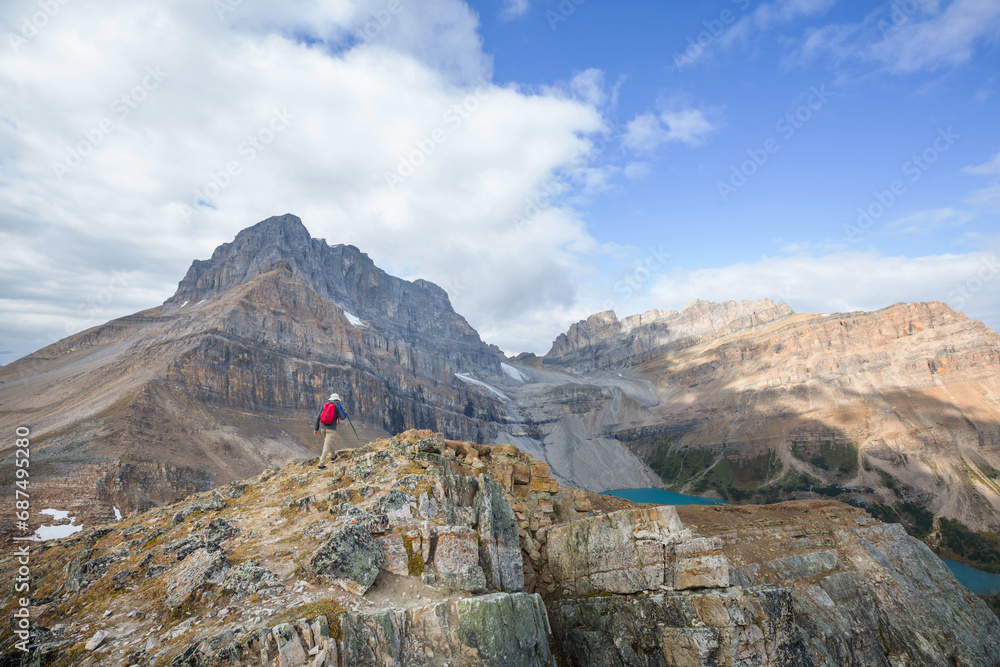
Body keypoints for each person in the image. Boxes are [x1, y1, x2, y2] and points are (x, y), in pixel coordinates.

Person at [313, 392, 347, 469]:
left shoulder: (324, 405)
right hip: (331, 429)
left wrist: (316, 428)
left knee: (328, 442)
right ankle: (321, 465)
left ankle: (333, 456)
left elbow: (318, 417)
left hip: (322, 428)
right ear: (337, 400)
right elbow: (342, 417)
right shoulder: (338, 406)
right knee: (326, 446)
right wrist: (344, 413)